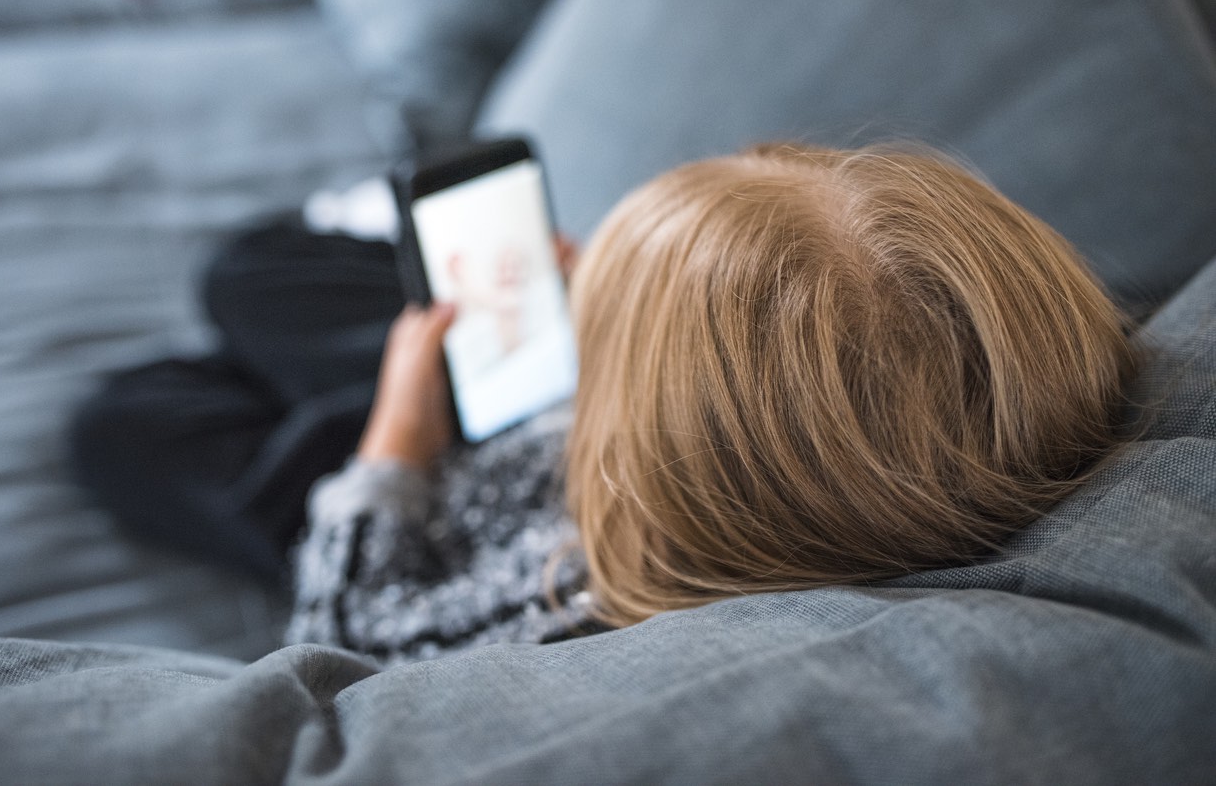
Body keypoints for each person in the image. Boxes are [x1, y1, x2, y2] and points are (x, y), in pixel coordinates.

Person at [283, 142, 1135, 665]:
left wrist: (394, 444)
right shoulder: (790, 474)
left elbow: (342, 638)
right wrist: (628, 323)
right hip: (534, 418)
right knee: (260, 286)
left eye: (605, 335)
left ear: (642, 457)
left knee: (163, 402)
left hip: (428, 488)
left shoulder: (569, 602)